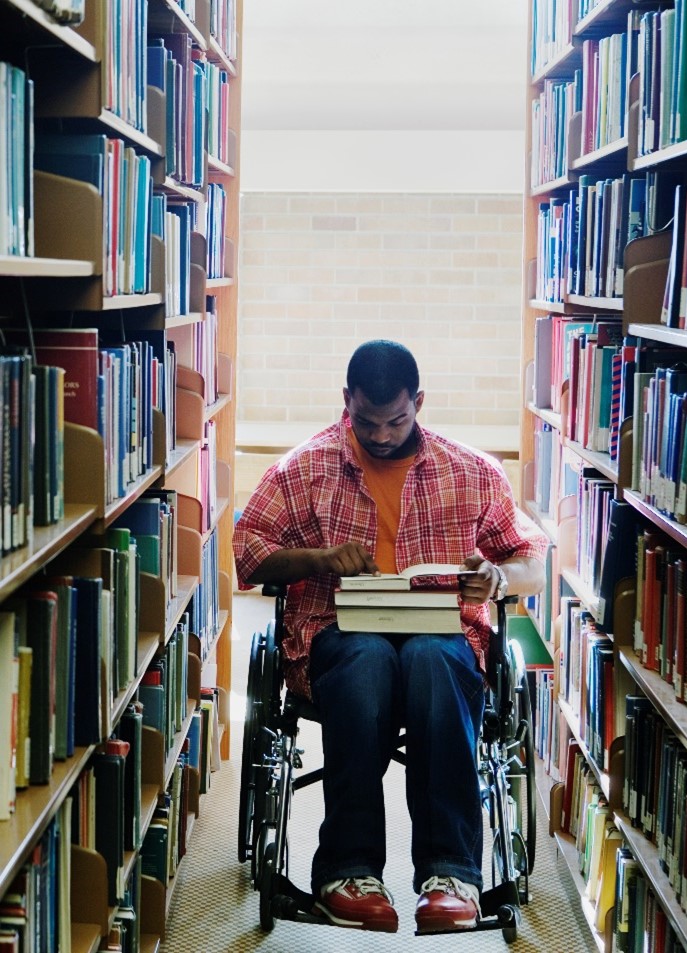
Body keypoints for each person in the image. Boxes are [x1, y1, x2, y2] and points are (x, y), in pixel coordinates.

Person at [233, 340, 548, 934]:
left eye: (397, 420)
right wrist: (322, 557)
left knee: (433, 659)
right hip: (340, 636)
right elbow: (249, 553)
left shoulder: (471, 471)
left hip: (441, 636)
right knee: (367, 661)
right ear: (345, 401)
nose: (380, 435)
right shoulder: (303, 468)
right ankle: (348, 872)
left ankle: (450, 875)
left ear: (419, 403)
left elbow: (532, 558)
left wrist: (500, 578)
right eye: (366, 421)